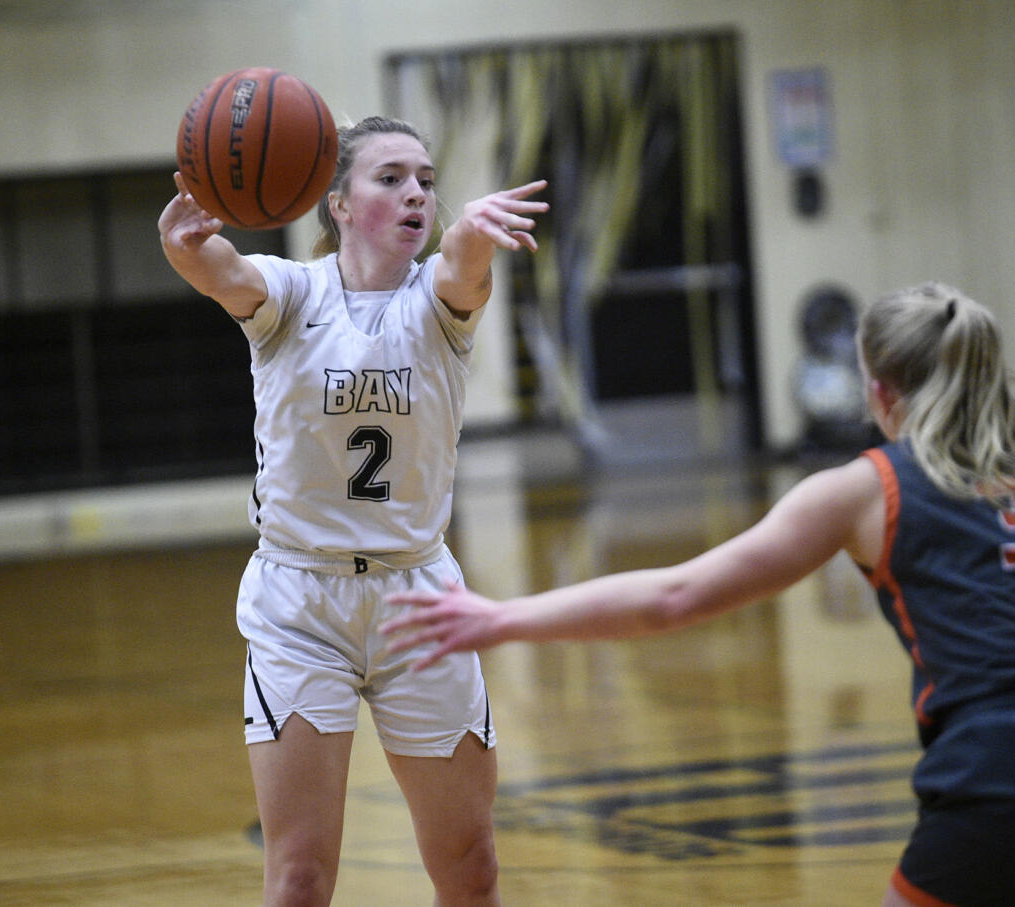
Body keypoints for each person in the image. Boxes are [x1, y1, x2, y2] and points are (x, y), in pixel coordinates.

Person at [383, 282, 1015, 907]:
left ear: (878, 392)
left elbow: (675, 596)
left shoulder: (871, 490)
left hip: (989, 777)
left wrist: (501, 618)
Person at [159, 114, 548, 906]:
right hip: (301, 603)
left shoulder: (438, 299)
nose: (417, 195)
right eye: (392, 177)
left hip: (419, 598)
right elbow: (219, 269)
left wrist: (473, 232)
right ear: (336, 202)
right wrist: (183, 242)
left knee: (471, 868)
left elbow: (465, 269)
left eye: (428, 182)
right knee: (300, 878)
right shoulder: (291, 294)